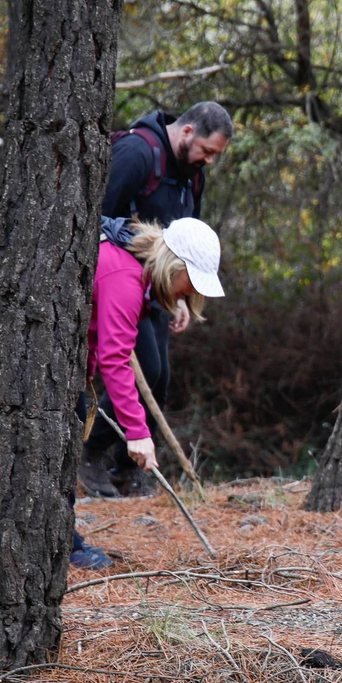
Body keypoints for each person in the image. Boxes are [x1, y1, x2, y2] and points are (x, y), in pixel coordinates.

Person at [81, 101, 234, 497]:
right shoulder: (136, 153)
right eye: (207, 151)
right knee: (139, 367)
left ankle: (125, 467)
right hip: (124, 278)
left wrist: (180, 297)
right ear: (187, 133)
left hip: (158, 285)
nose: (209, 161)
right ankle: (92, 453)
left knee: (160, 377)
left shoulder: (192, 174)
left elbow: (191, 238)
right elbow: (92, 215)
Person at [72, 214, 226, 570]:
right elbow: (116, 358)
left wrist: (84, 372)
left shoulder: (137, 271)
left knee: (68, 428)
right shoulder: (126, 279)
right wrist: (138, 433)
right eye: (190, 282)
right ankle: (64, 544)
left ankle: (63, 538)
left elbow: (95, 331)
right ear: (175, 265)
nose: (190, 291)